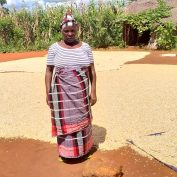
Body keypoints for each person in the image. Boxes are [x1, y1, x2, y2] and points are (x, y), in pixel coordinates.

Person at [45, 11, 97, 160]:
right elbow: (49, 71)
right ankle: (67, 153)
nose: (69, 34)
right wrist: (47, 93)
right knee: (65, 121)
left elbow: (92, 71)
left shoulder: (86, 48)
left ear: (77, 29)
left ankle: (83, 151)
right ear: (61, 30)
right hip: (61, 95)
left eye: (72, 30)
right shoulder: (54, 48)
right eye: (66, 31)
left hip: (81, 94)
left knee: (82, 119)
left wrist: (93, 92)